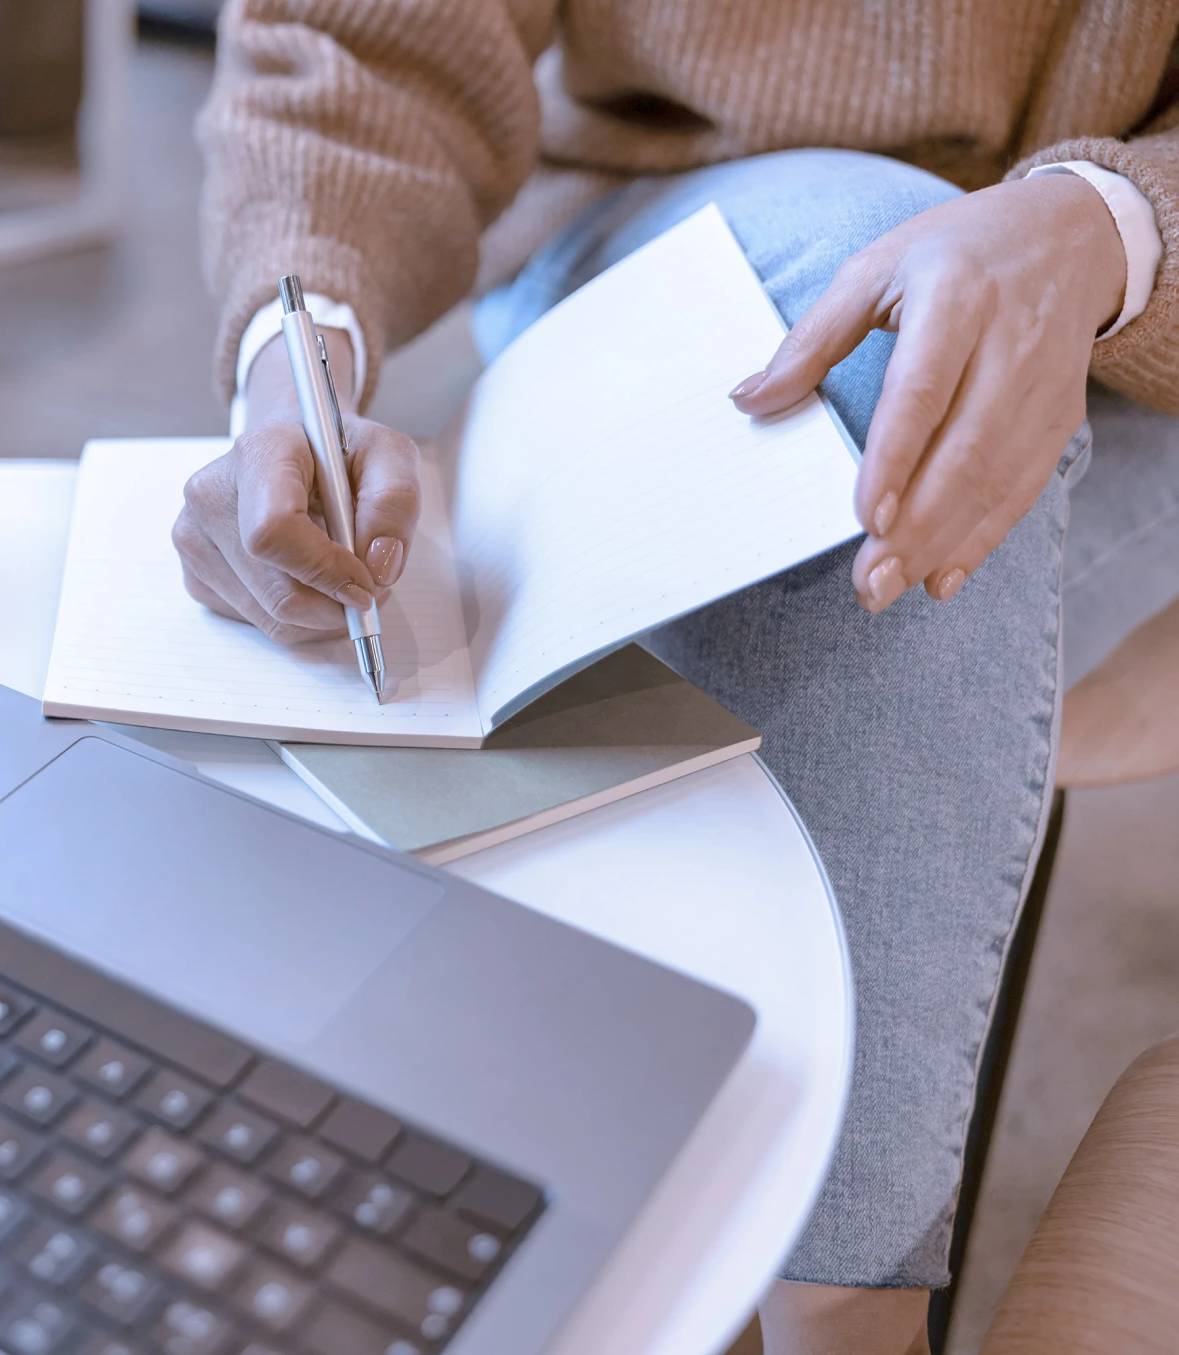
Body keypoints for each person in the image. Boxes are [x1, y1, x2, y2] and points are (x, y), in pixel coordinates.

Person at [176, 3, 1179, 1351]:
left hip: (1139, 331)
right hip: (679, 232)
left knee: (874, 538)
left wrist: (1097, 224)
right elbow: (364, 36)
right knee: (887, 410)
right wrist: (291, 354)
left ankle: (821, 1315)